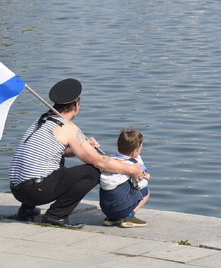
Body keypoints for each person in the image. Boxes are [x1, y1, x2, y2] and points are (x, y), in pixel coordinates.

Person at [9, 78, 144, 229]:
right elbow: (99, 162)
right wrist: (132, 169)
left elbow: (58, 151)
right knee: (92, 172)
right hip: (36, 191)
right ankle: (56, 215)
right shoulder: (68, 127)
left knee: (52, 160)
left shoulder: (43, 120)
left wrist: (83, 146)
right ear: (76, 106)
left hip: (18, 189)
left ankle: (26, 210)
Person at [99, 129, 152, 228]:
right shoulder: (133, 166)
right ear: (135, 151)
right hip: (121, 208)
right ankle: (129, 216)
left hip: (106, 208)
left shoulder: (110, 161)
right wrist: (146, 178)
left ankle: (112, 218)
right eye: (141, 148)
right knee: (145, 191)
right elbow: (139, 185)